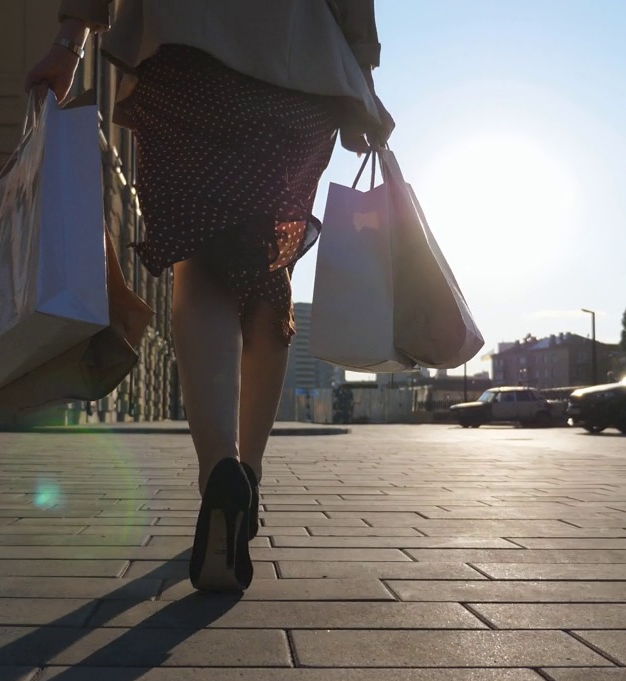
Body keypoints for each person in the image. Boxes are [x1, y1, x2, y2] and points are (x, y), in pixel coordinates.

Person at [25, 1, 394, 592]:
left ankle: (218, 469)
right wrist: (363, 80)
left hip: (187, 50)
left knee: (201, 266)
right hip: (300, 67)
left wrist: (71, 40)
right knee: (270, 270)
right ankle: (248, 473)